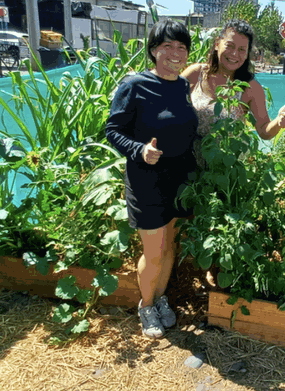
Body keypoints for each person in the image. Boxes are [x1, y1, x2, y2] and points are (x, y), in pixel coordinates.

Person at [105, 20, 198, 339]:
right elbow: (113, 130)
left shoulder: (182, 86)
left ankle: (160, 299)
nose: (175, 53)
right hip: (147, 180)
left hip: (178, 181)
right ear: (154, 50)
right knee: (153, 251)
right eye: (167, 46)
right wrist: (139, 149)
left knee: (169, 246)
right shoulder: (134, 85)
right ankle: (146, 306)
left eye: (181, 47)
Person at [181, 19, 285, 169]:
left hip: (227, 173)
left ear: (247, 54)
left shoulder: (250, 88)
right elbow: (168, 102)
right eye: (230, 46)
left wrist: (279, 122)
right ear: (217, 44)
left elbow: (264, 130)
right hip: (188, 167)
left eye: (242, 50)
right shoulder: (196, 74)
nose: (235, 54)